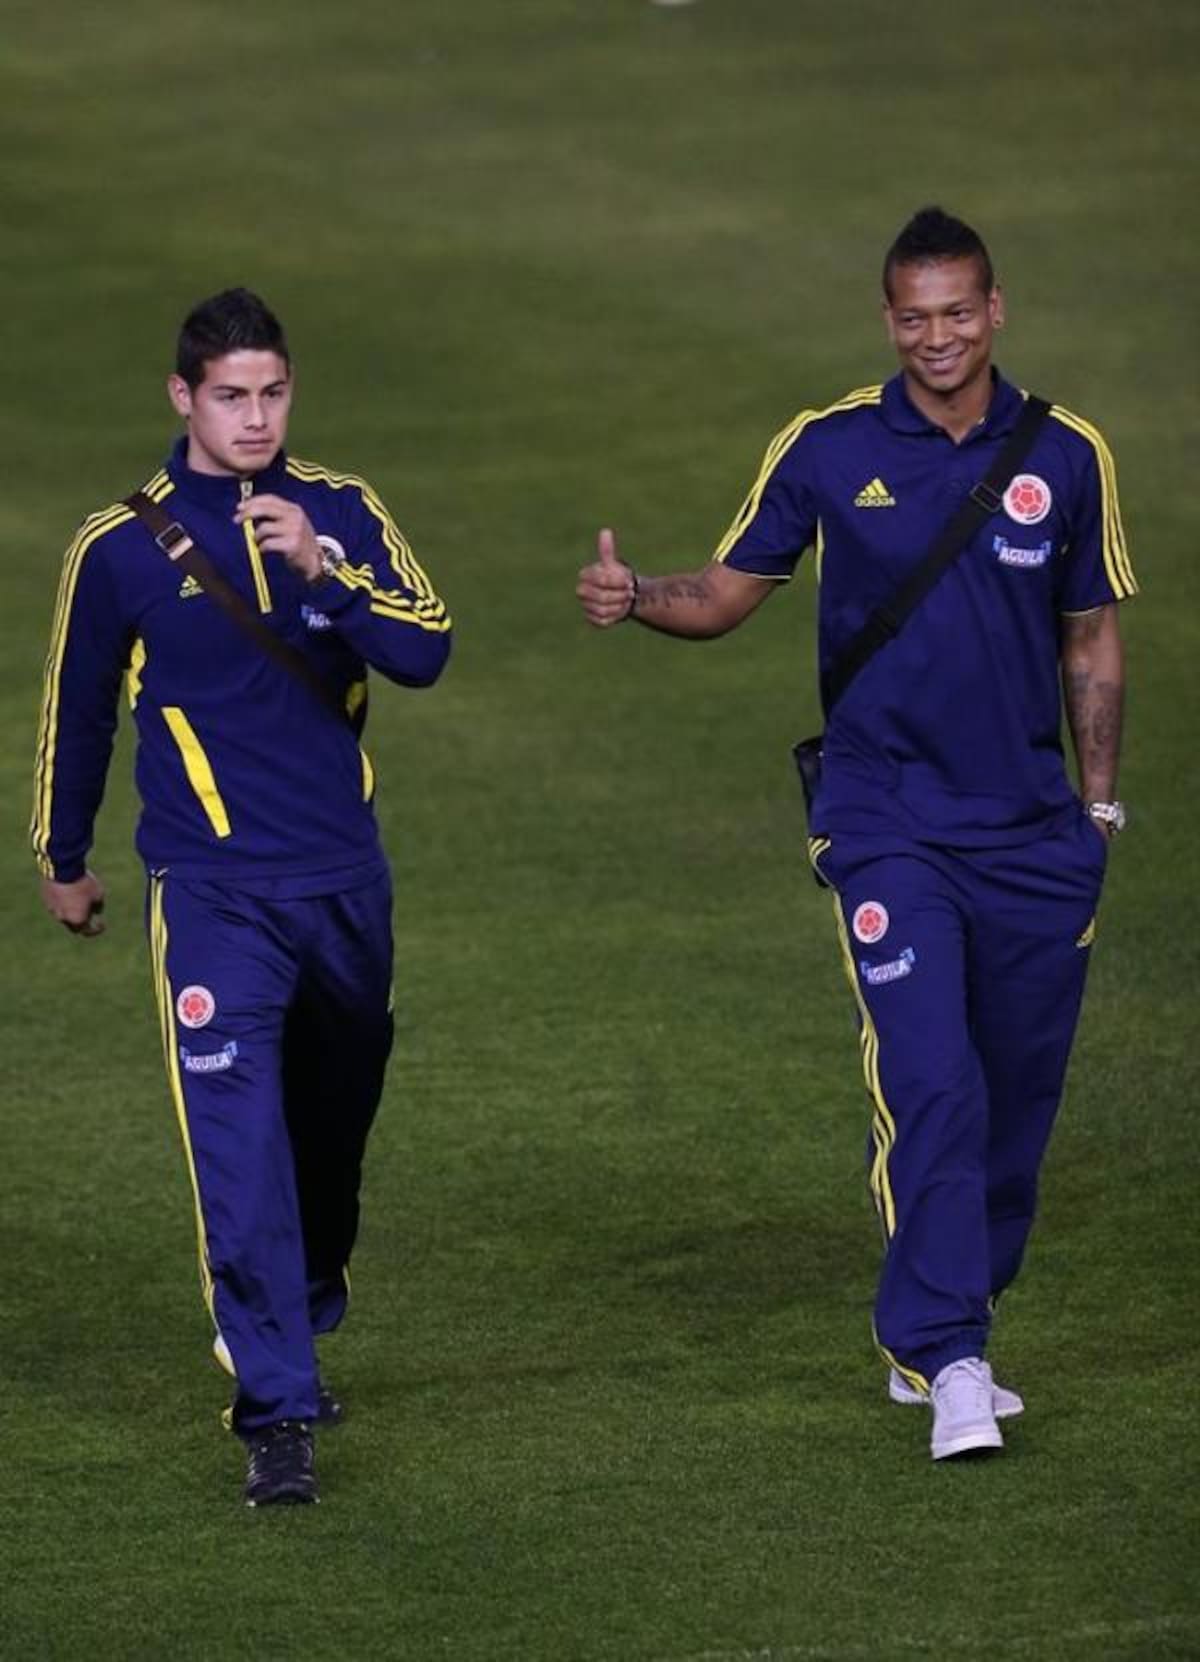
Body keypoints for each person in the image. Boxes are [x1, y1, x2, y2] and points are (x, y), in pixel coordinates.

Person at [576, 206, 1135, 1461]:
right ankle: (947, 1355)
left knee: (1015, 1105)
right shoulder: (829, 448)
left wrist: (1097, 812)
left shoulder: (1067, 453)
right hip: (887, 822)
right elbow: (725, 594)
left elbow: (1092, 635)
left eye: (958, 313)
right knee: (931, 1077)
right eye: (914, 317)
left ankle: (959, 1315)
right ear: (889, 320)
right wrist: (637, 593)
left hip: (1032, 833)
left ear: (995, 311)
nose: (937, 338)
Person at [32, 288, 452, 1505]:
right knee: (238, 1142)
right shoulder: (118, 548)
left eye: (272, 393)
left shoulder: (343, 511)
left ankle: (303, 1298)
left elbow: (426, 648)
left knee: (332, 1122)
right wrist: (63, 855)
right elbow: (78, 708)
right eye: (230, 396)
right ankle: (275, 1410)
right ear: (184, 398)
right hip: (212, 893)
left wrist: (328, 574)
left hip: (343, 883)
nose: (255, 418)